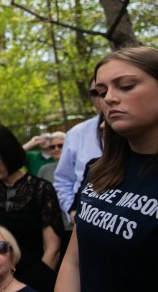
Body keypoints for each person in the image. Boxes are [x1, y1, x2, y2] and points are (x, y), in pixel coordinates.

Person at [56, 46, 158, 291]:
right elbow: (73, 262)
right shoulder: (99, 171)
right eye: (102, 91)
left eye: (125, 86)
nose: (108, 98)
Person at [0, 125, 62, 292]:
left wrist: (27, 287)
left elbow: (53, 249)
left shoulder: (42, 190)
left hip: (33, 282)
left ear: (8, 153)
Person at [53, 80, 104, 222]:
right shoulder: (77, 134)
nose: (103, 97)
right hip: (84, 219)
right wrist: (72, 210)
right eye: (95, 93)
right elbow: (63, 179)